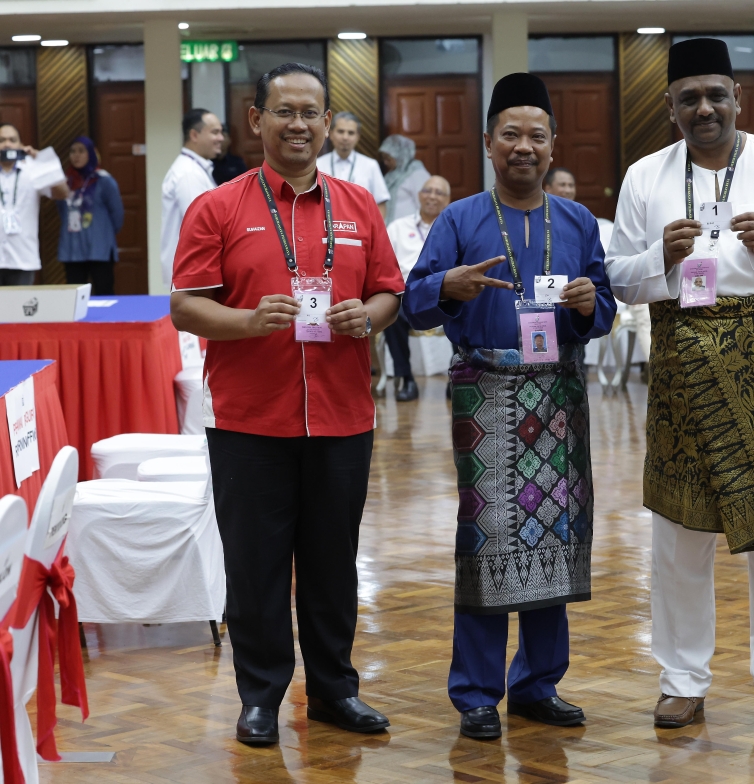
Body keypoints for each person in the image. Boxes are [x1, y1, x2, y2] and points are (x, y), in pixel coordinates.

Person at [605, 38, 754, 732]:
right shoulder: (645, 177)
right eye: (690, 97)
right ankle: (682, 679)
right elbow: (617, 277)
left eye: (717, 94)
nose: (704, 107)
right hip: (683, 376)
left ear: (739, 97)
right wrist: (662, 256)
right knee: (680, 536)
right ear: (670, 108)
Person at [170, 63, 403, 746]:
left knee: (334, 563)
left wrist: (372, 315)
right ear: (256, 120)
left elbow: (391, 289)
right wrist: (247, 322)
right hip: (249, 420)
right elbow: (184, 306)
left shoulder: (358, 206)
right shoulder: (219, 206)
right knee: (256, 564)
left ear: (328, 123)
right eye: (284, 112)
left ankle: (335, 691)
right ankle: (261, 698)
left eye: (311, 113)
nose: (299, 124)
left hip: (341, 415)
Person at [404, 72, 616, 741]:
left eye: (537, 135)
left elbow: (604, 307)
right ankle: (474, 692)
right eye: (511, 135)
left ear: (553, 147)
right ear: (489, 143)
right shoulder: (460, 219)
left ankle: (536, 684)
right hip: (485, 397)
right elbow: (413, 305)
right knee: (486, 541)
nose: (524, 147)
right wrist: (449, 286)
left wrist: (588, 307)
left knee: (553, 537)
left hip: (557, 396)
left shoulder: (578, 221)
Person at [384, 174, 451, 402]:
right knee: (390, 314)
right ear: (419, 195)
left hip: (444, 293)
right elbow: (385, 265)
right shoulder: (398, 227)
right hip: (406, 294)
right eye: (427, 191)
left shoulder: (453, 228)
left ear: (448, 200)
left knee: (468, 312)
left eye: (439, 192)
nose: (432, 196)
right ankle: (406, 378)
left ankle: (457, 378)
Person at [0, 123, 69, 285]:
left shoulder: (34, 168)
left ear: (21, 145)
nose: (7, 144)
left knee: (18, 309)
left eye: (12, 140)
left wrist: (43, 162)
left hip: (22, 257)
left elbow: (63, 193)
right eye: (2, 140)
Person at [160, 108, 223, 286]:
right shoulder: (188, 174)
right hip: (192, 273)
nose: (221, 138)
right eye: (215, 132)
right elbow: (201, 227)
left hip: (194, 271)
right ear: (194, 135)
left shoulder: (195, 169)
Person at [56, 136, 125, 295]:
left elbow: (117, 215)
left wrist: (102, 233)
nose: (76, 155)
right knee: (74, 296)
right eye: (73, 151)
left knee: (104, 291)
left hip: (99, 249)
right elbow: (62, 212)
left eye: (81, 151)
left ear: (91, 153)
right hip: (73, 249)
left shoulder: (104, 180)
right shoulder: (65, 183)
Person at [317, 111, 390, 219]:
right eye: (341, 131)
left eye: (351, 133)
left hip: (361, 229)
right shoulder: (318, 164)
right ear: (331, 134)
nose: (345, 137)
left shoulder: (370, 165)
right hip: (326, 228)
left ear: (357, 137)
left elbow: (380, 203)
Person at [378, 134, 431, 225]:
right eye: (384, 158)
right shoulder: (391, 174)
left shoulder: (417, 174)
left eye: (388, 158)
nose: (385, 162)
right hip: (392, 231)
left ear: (400, 155)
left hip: (410, 231)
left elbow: (425, 205)